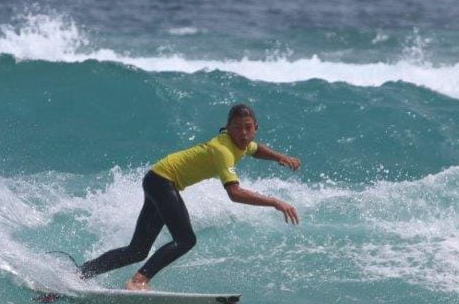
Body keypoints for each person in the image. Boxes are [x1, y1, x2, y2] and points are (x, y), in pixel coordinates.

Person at [79, 104, 300, 290]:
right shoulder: (223, 150)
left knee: (137, 250)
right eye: (237, 128)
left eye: (247, 128)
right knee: (185, 240)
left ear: (255, 128)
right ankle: (138, 280)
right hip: (163, 181)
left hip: (157, 178)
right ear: (228, 129)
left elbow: (254, 149)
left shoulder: (241, 143)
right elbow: (234, 193)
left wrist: (280, 157)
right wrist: (275, 202)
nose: (243, 133)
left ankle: (82, 273)